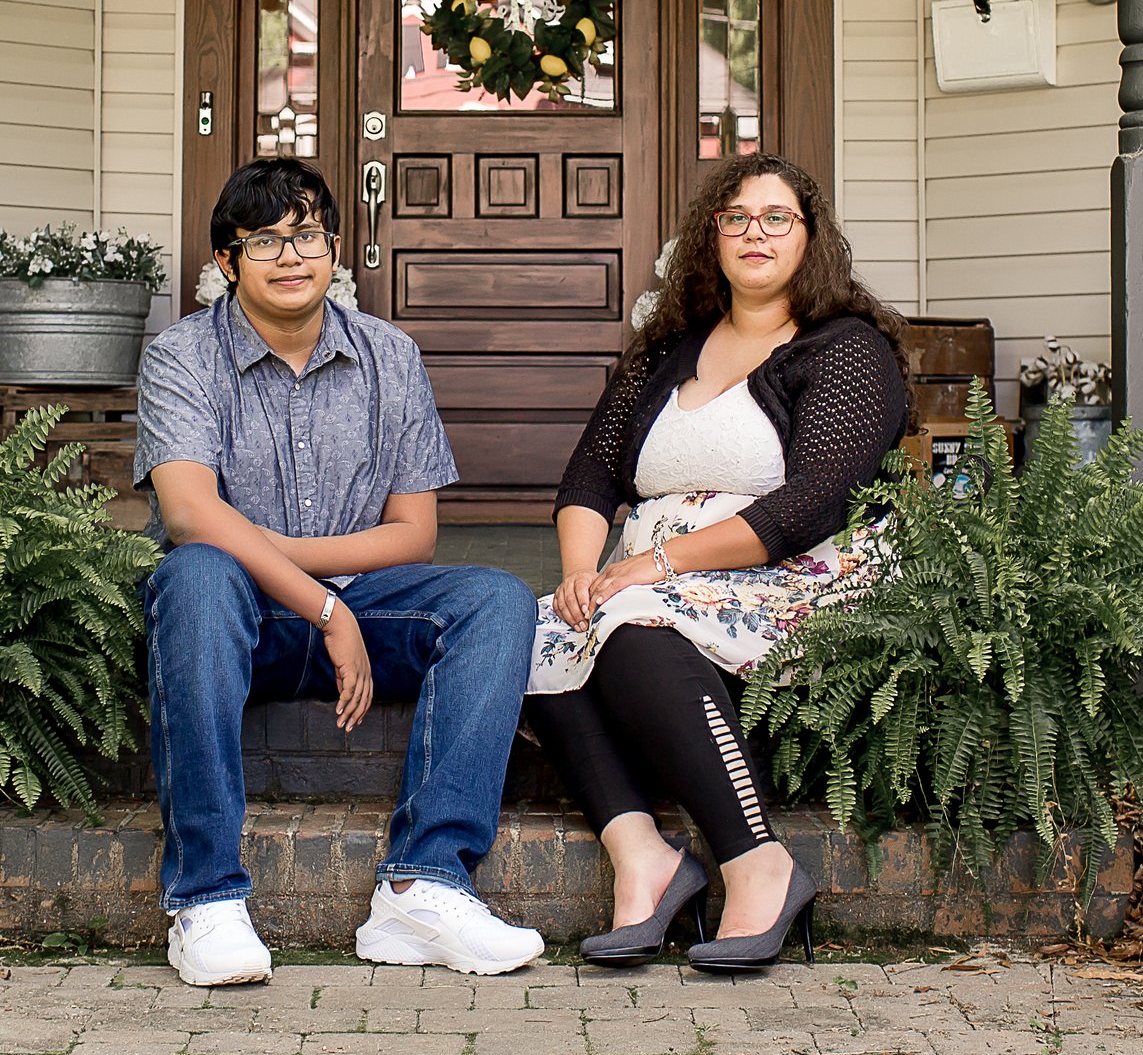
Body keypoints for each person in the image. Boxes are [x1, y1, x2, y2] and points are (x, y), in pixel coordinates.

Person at [135, 157, 545, 988]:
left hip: (363, 608)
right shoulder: (181, 355)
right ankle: (205, 897)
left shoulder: (389, 355)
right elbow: (188, 516)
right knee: (199, 574)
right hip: (226, 619)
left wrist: (324, 596)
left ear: (334, 247)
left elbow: (413, 533)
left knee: (496, 599)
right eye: (264, 242)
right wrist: (324, 609)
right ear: (225, 261)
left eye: (308, 235)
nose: (291, 257)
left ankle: (421, 886)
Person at [522, 152, 910, 974]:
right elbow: (590, 474)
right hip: (658, 578)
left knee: (627, 623)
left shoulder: (845, 348)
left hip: (795, 577)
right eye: (735, 217)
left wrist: (654, 565)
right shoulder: (666, 347)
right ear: (711, 236)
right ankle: (645, 859)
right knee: (531, 637)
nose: (754, 233)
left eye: (777, 217)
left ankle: (757, 861)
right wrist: (580, 574)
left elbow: (811, 505)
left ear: (812, 238)